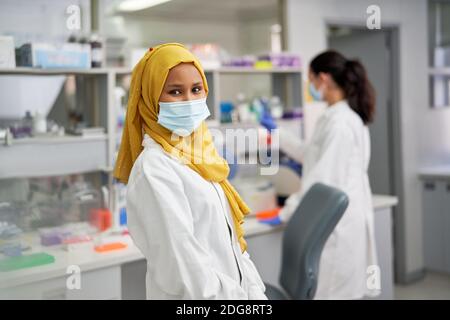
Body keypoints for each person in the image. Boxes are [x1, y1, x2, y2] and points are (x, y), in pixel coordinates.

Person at [114, 43, 267, 300]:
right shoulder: (154, 169)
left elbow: (233, 246)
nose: (189, 100)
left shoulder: (201, 159)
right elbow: (183, 271)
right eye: (175, 91)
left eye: (196, 89)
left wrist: (254, 292)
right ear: (150, 99)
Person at [261, 50, 378, 299]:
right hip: (341, 218)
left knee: (333, 291)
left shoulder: (341, 123)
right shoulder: (335, 117)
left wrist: (286, 211)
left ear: (323, 79)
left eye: (310, 80)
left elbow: (321, 182)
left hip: (339, 224)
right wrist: (277, 131)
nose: (310, 86)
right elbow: (311, 153)